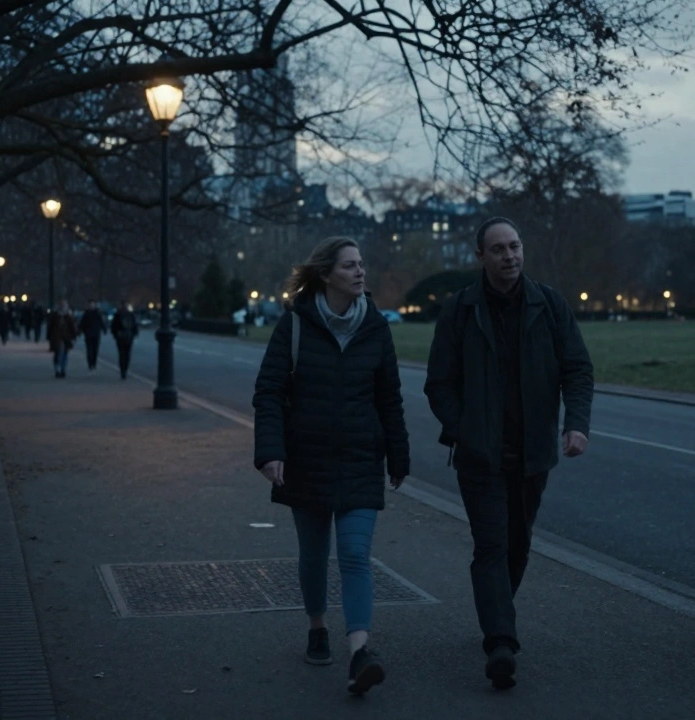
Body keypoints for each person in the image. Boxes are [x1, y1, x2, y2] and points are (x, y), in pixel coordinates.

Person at [423, 217, 594, 690]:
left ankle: (498, 612)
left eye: (515, 246)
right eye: (498, 249)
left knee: (518, 545)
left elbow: (577, 369)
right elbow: (439, 383)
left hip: (533, 452)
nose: (509, 256)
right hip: (481, 456)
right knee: (491, 546)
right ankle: (501, 641)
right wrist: (463, 431)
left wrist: (576, 424)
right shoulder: (460, 310)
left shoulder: (550, 305)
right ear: (481, 256)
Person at [252, 237, 409, 696]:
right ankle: (317, 626)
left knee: (356, 555)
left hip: (361, 459)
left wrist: (398, 456)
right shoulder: (296, 326)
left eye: (362, 264)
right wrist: (270, 451)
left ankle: (360, 651)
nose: (361, 272)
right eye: (350, 266)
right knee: (315, 556)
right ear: (326, 275)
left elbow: (390, 400)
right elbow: (269, 393)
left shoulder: (376, 328)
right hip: (308, 459)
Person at [46, 301, 78, 378]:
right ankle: (58, 369)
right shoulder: (55, 316)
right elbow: (50, 326)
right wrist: (49, 337)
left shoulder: (68, 316)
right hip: (56, 337)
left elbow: (72, 327)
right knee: (58, 353)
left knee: (64, 354)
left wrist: (74, 337)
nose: (64, 308)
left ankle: (62, 369)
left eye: (65, 306)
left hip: (66, 338)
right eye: (62, 306)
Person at [110, 301, 139, 380]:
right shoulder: (130, 315)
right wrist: (134, 334)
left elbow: (113, 327)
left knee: (121, 354)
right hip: (128, 336)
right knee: (127, 354)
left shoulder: (117, 315)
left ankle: (123, 370)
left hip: (120, 337)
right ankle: (125, 369)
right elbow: (134, 325)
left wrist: (115, 335)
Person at [78, 300, 108, 373]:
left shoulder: (97, 313)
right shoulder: (86, 313)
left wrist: (104, 329)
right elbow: (82, 323)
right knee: (89, 350)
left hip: (96, 334)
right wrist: (79, 331)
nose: (91, 306)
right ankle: (90, 363)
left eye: (92, 304)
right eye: (90, 304)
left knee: (95, 350)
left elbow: (101, 322)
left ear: (94, 305)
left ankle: (94, 363)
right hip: (88, 334)